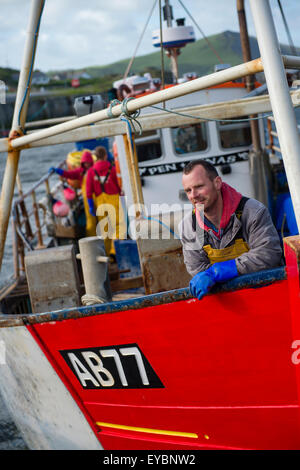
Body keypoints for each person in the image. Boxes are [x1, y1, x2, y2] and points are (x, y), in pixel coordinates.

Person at [179, 159, 283, 300]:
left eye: (199, 187)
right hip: (229, 302)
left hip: (268, 296)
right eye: (188, 190)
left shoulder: (253, 212)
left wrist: (218, 272)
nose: (193, 195)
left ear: (217, 183)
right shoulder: (188, 226)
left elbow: (268, 254)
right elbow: (197, 268)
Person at [86, 145, 125, 260]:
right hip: (113, 200)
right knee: (118, 226)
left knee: (105, 229)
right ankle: (116, 251)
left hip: (100, 202)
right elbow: (119, 186)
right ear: (105, 156)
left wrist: (91, 207)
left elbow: (89, 192)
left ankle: (108, 256)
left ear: (95, 157)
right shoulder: (112, 169)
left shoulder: (91, 172)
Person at [49, 150, 97, 236]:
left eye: (88, 162)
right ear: (82, 163)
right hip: (87, 198)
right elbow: (69, 174)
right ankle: (92, 238)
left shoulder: (95, 170)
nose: (87, 164)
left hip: (98, 197)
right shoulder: (80, 171)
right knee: (91, 220)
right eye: (85, 163)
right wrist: (58, 171)